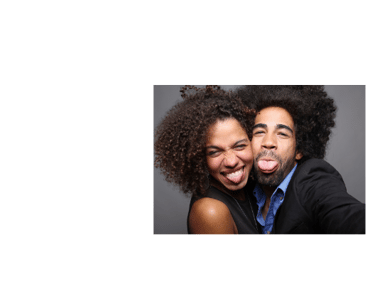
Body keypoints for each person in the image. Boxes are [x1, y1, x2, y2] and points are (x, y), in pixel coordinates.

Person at [235, 84, 366, 234]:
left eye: (282, 134)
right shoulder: (243, 186)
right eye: (259, 132)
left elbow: (351, 217)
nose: (268, 142)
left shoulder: (312, 180)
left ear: (299, 150)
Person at [154, 85, 259, 235]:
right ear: (199, 157)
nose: (231, 162)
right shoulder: (210, 211)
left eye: (239, 146)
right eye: (214, 152)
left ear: (252, 141)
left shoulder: (256, 187)